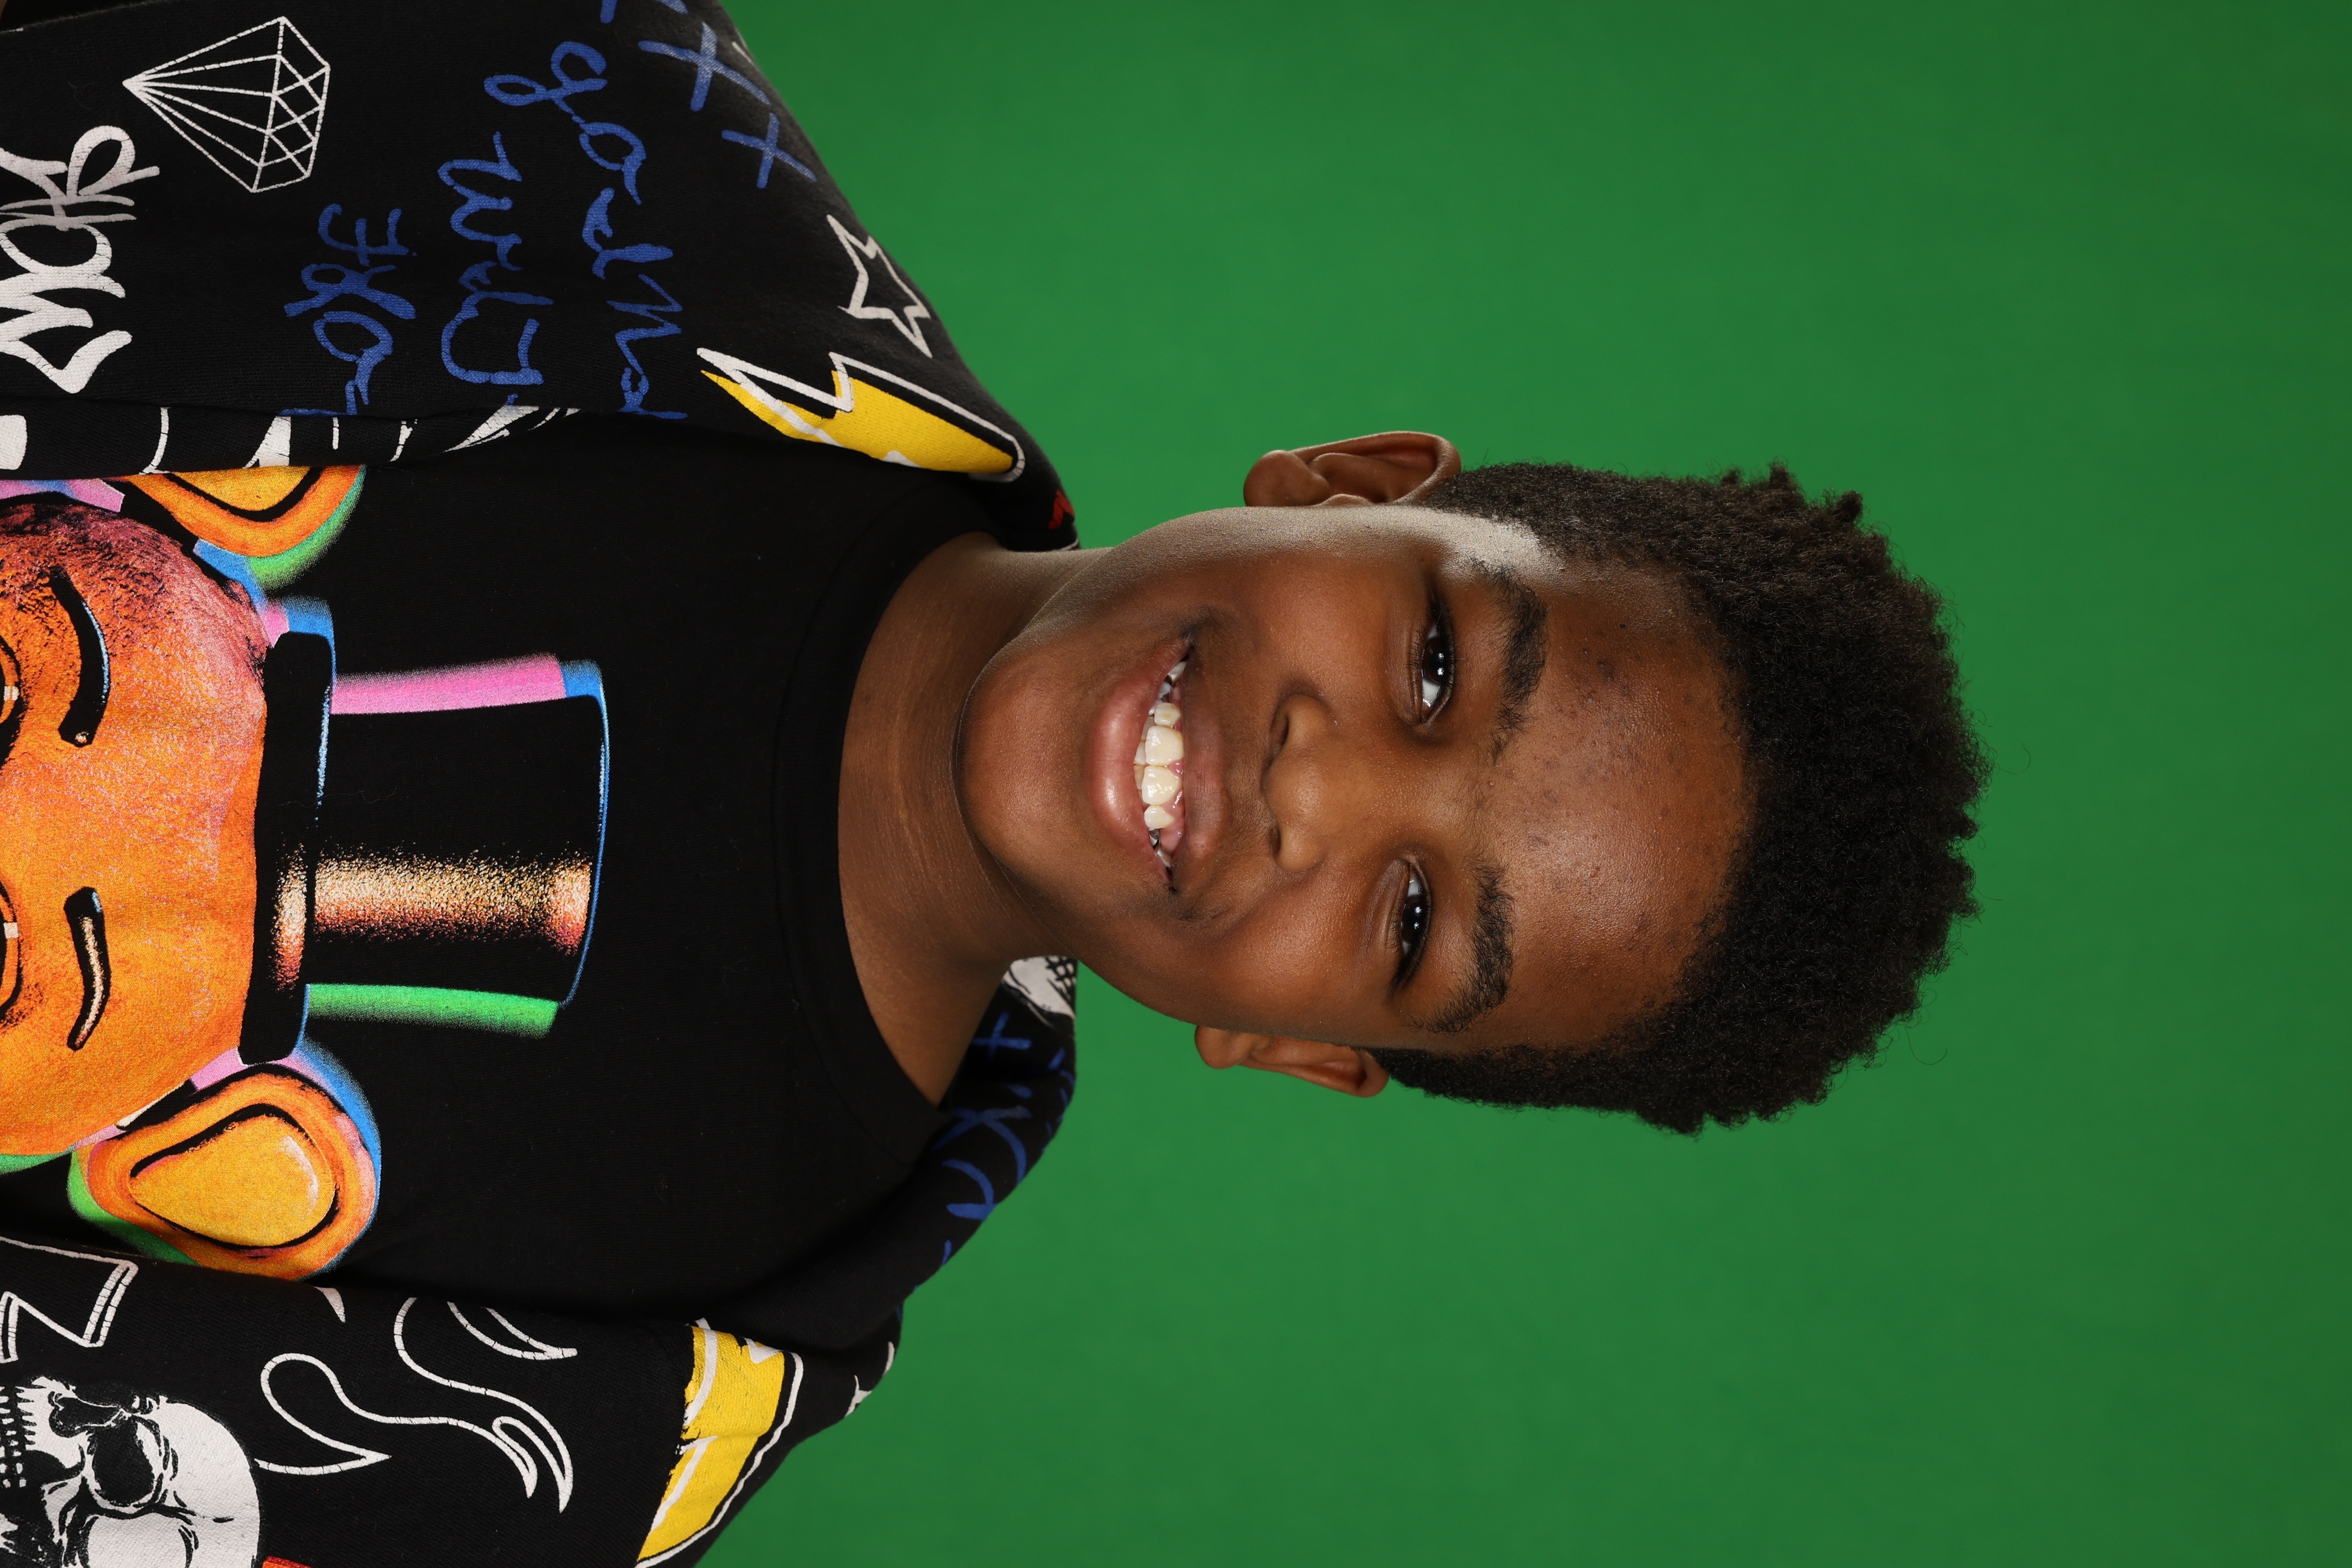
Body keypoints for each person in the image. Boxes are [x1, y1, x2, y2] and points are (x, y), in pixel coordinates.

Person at [0, 0, 1985, 1563]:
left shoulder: (636, 1398)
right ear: (1347, 485)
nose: (1315, 794)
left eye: (1410, 920)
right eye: (1439, 668)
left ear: (1298, 1048)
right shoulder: (597, 126)